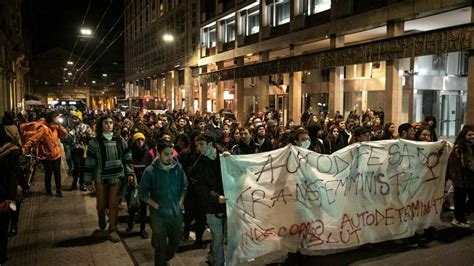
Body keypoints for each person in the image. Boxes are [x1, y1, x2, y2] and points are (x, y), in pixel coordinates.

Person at [84, 115, 135, 242]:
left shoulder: (120, 140)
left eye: (111, 122)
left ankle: (112, 228)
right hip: (100, 177)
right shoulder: (94, 142)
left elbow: (127, 156)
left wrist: (129, 173)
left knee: (114, 203)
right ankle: (101, 216)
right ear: (101, 125)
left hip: (116, 176)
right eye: (106, 123)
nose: (109, 125)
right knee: (101, 204)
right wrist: (87, 181)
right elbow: (90, 162)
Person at [139, 141, 188, 266]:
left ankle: (167, 258)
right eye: (166, 154)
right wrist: (155, 205)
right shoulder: (150, 171)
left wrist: (180, 204)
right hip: (158, 215)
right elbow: (142, 193)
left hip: (176, 213)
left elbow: (184, 186)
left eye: (172, 154)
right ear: (158, 153)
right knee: (160, 248)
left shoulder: (178, 167)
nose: (170, 157)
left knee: (176, 240)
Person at [194, 133, 228, 266]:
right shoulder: (199, 164)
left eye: (201, 144)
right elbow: (200, 188)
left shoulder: (225, 156)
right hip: (211, 206)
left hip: (227, 204)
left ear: (210, 144)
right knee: (218, 238)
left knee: (223, 238)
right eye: (197, 145)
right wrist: (215, 197)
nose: (198, 148)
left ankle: (212, 254)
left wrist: (231, 159)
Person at [23, 111, 67, 197]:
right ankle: (48, 190)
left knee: (57, 173)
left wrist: (59, 126)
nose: (58, 119)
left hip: (56, 154)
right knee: (48, 173)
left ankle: (59, 191)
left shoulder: (56, 127)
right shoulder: (43, 128)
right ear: (52, 119)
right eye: (56, 118)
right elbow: (34, 139)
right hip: (46, 156)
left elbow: (64, 134)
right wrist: (25, 147)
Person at [0, 116, 22, 265]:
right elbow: (14, 174)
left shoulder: (9, 150)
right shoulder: (12, 149)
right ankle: (14, 225)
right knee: (4, 222)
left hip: (5, 193)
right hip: (8, 193)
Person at [446, 124, 474, 229]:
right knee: (460, 200)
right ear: (464, 135)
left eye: (473, 134)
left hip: (471, 178)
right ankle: (458, 219)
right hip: (460, 179)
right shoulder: (458, 148)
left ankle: (464, 214)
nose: (472, 137)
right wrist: (455, 179)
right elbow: (453, 165)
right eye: (469, 135)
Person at [127, 132, 153, 239]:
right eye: (138, 140)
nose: (140, 142)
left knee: (143, 207)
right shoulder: (129, 152)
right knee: (133, 204)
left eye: (142, 140)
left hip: (144, 183)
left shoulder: (148, 153)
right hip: (133, 182)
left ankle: (142, 229)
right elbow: (127, 164)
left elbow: (151, 167)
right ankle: (130, 223)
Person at [69, 111, 92, 191]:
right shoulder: (70, 127)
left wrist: (86, 135)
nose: (74, 120)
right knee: (76, 166)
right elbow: (66, 138)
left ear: (80, 118)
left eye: (76, 118)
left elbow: (91, 136)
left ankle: (81, 183)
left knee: (82, 167)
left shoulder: (85, 126)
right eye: (73, 118)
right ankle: (74, 182)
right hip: (74, 149)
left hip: (83, 149)